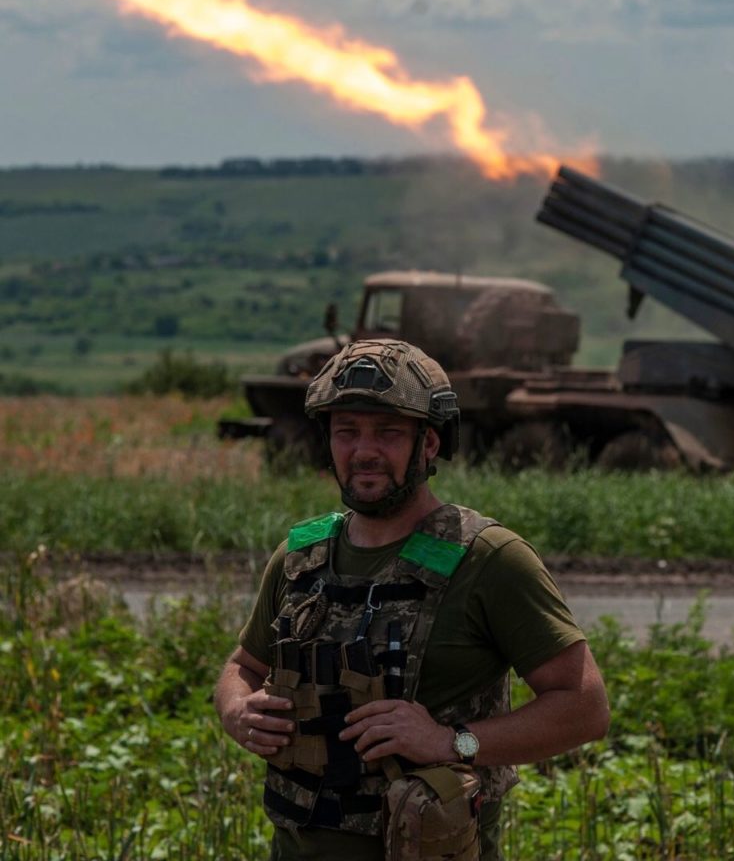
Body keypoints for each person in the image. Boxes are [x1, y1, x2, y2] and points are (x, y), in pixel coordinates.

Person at [215, 338, 609, 860]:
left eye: (388, 432)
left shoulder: (489, 558)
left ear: (429, 444)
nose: (364, 451)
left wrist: (452, 742)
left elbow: (585, 707)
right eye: (346, 432)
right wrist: (237, 709)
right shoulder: (301, 554)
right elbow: (243, 663)